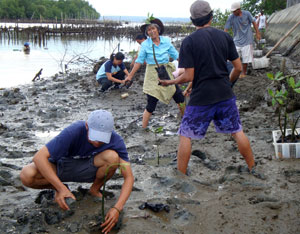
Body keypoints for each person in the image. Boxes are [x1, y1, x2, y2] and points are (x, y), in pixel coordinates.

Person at [159, 0, 264, 180]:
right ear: (212, 16)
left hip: (201, 97)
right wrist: (228, 84)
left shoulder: (189, 41)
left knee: (185, 134)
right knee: (237, 130)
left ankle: (181, 176)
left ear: (192, 20)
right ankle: (252, 167)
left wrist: (170, 82)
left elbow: (189, 76)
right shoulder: (225, 37)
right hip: (224, 94)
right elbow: (238, 68)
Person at [20, 109, 134, 233]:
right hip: (60, 166)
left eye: (101, 139)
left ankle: (94, 189)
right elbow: (39, 157)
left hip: (87, 168)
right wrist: (60, 188)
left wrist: (117, 208)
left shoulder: (116, 140)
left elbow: (128, 177)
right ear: (86, 126)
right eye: (94, 136)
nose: (97, 142)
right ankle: (60, 187)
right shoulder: (73, 131)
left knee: (112, 157)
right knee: (27, 174)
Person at [126, 18, 185, 128]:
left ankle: (185, 120)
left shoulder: (166, 41)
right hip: (152, 75)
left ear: (158, 30)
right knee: (151, 103)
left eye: (153, 28)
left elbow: (177, 56)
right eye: (148, 30)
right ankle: (144, 128)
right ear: (147, 33)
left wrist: (189, 68)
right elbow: (139, 61)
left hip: (166, 72)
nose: (151, 31)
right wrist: (130, 75)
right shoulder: (145, 45)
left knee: (179, 97)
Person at [224, 2, 261, 78]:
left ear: (239, 9)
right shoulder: (231, 17)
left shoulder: (247, 14)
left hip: (247, 40)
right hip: (236, 40)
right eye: (232, 11)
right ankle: (232, 71)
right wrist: (224, 39)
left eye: (234, 11)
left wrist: (257, 33)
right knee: (232, 57)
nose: (233, 12)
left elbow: (254, 22)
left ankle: (244, 73)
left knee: (246, 58)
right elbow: (226, 29)